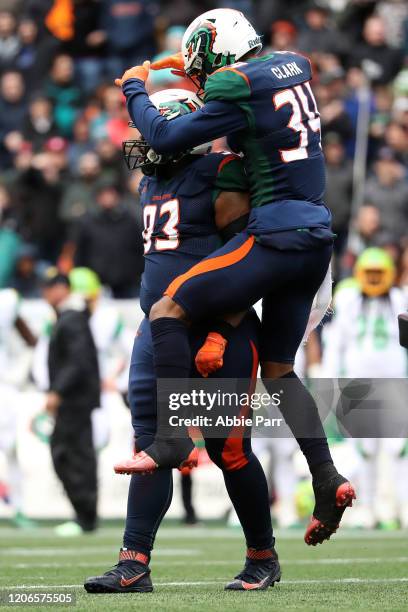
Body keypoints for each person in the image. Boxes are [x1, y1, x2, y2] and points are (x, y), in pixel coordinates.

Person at [114, 8, 355, 546]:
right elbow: (279, 73)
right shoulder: (292, 64)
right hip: (315, 237)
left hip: (274, 237)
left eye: (202, 62)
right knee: (279, 370)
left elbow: (166, 133)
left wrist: (135, 88)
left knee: (172, 304)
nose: (200, 73)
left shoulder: (223, 139)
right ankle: (327, 475)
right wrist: (197, 74)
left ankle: (178, 442)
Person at [84, 89, 280, 593]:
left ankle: (262, 556)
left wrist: (222, 329)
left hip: (217, 330)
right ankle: (133, 563)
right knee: (151, 445)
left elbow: (252, 260)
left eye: (154, 129)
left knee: (228, 451)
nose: (144, 141)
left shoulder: (221, 173)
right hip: (157, 331)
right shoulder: (150, 180)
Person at [323, 248, 408, 528]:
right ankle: (368, 507)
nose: (373, 279)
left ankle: (402, 507)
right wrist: (331, 380)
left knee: (399, 449)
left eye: (378, 273)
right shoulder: (347, 299)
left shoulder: (400, 297)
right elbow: (336, 343)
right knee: (365, 451)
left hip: (396, 383)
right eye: (368, 273)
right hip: (359, 385)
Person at [42, 268, 100, 536]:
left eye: (50, 287)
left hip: (74, 401)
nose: (45, 293)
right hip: (74, 400)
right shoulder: (70, 318)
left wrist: (57, 391)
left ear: (62, 289)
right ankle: (83, 513)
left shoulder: (71, 318)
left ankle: (85, 515)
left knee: (73, 455)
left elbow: (77, 362)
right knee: (69, 454)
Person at [0, 288, 37, 528]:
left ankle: (18, 505)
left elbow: (30, 338)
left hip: (3, 385)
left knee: (10, 448)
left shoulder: (7, 301)